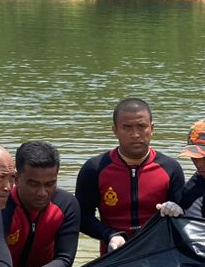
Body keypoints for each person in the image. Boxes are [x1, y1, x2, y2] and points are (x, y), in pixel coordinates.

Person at [75, 97, 184, 254]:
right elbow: (82, 217)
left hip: (159, 255)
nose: (135, 134)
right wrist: (110, 235)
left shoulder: (170, 168)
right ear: (115, 131)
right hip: (114, 253)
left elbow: (183, 217)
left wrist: (177, 210)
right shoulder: (95, 169)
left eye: (141, 126)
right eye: (127, 127)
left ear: (152, 129)